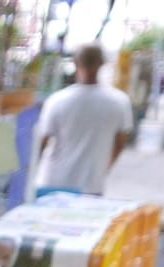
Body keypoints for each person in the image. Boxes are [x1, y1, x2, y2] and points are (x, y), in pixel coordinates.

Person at [33, 44, 135, 197]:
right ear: (102, 63)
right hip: (91, 184)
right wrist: (104, 169)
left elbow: (41, 144)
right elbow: (120, 144)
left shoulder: (57, 100)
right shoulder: (119, 101)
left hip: (52, 183)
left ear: (75, 63)